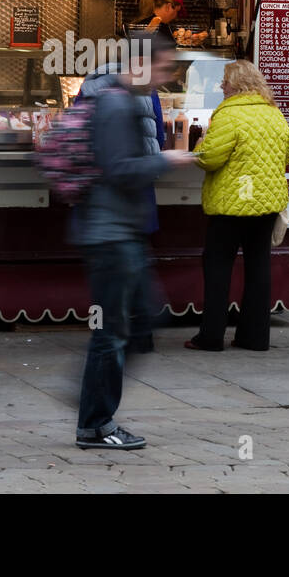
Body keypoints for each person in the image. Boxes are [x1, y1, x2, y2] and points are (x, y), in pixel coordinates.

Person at [71, 32, 196, 449]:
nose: (164, 78)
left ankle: (92, 405)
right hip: (109, 232)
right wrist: (165, 159)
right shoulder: (114, 104)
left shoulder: (123, 100)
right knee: (113, 330)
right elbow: (119, 169)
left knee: (140, 320)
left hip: (122, 229)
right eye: (162, 68)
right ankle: (95, 422)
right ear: (140, 63)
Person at [186, 60, 289, 351]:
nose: (222, 86)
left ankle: (211, 336)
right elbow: (286, 156)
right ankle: (255, 337)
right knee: (259, 267)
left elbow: (209, 158)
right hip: (266, 203)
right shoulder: (274, 114)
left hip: (232, 204)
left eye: (225, 81)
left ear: (239, 84)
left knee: (218, 266)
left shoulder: (229, 115)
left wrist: (199, 143)